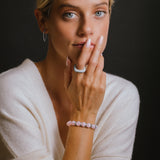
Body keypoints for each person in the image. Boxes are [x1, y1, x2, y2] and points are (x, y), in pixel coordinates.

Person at [0, 0, 140, 159]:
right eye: (70, 14)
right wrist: (84, 112)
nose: (87, 29)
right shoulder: (10, 90)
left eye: (99, 13)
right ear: (43, 21)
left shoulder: (122, 96)